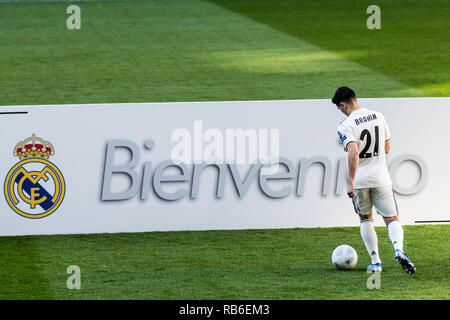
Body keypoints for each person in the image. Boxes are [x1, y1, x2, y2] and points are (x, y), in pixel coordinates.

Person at [332, 86, 416, 274]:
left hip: (361, 180)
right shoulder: (378, 116)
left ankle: (376, 262)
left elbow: (353, 152)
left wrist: (351, 181)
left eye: (340, 108)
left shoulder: (345, 125)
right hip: (381, 177)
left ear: (343, 104)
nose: (341, 111)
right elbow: (386, 148)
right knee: (392, 219)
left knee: (365, 219)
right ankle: (398, 250)